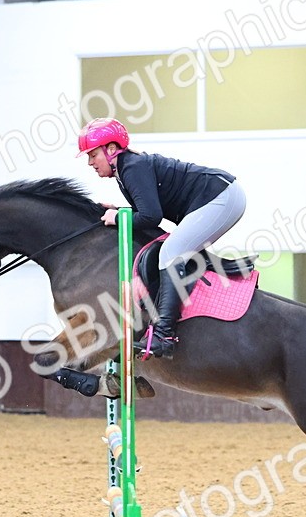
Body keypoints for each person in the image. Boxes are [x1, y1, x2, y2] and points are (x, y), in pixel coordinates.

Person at [77, 118, 247, 360]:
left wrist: (118, 219)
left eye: (93, 155)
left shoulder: (132, 167)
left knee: (170, 252)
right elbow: (148, 210)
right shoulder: (126, 169)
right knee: (175, 250)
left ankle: (164, 335)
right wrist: (119, 211)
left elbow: (151, 217)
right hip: (220, 196)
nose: (90, 162)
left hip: (221, 197)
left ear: (111, 149)